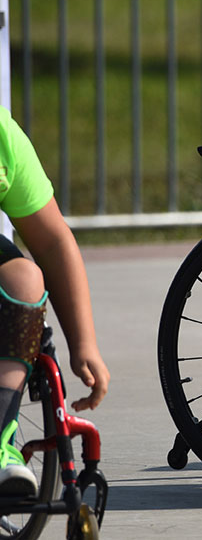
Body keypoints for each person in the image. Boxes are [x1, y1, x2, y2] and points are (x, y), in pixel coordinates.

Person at [0, 106, 110, 497]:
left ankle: (0, 438)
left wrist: (84, 344)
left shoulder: (2, 135)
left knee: (25, 276)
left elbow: (52, 241)